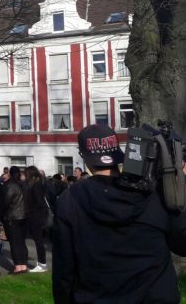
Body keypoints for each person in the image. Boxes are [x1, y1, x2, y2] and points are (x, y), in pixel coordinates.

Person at [53, 124, 186, 303]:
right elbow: (181, 243)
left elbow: (64, 269)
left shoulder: (69, 200)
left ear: (84, 157)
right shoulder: (150, 192)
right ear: (118, 152)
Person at [3, 165, 29, 274]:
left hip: (13, 217)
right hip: (24, 216)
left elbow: (6, 201)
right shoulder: (24, 185)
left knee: (14, 242)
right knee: (21, 242)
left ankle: (18, 265)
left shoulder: (11, 186)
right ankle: (23, 264)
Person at [24, 165, 49, 272]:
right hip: (37, 215)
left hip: (36, 216)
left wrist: (31, 211)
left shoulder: (36, 186)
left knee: (39, 241)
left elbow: (39, 202)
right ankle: (41, 263)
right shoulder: (38, 184)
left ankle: (42, 263)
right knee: (38, 241)